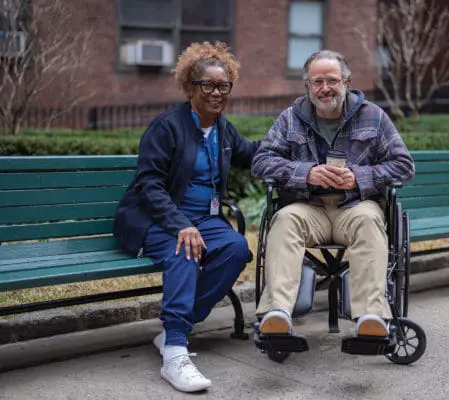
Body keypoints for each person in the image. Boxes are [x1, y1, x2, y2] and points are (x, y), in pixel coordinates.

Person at [113, 41, 259, 393]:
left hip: (202, 218)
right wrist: (182, 225)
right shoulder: (167, 127)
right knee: (187, 248)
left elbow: (251, 155)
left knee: (237, 248)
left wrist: (292, 145)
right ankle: (176, 355)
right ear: (190, 86)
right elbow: (149, 184)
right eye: (206, 84)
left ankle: (173, 331)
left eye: (223, 86)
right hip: (156, 218)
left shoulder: (223, 129)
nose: (215, 92)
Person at [251, 50, 415, 343]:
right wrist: (306, 173)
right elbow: (261, 161)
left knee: (368, 221)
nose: (324, 88)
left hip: (355, 206)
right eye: (317, 82)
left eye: (332, 80)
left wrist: (359, 177)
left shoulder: (374, 116)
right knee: (285, 220)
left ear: (347, 82)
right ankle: (277, 314)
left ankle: (370, 317)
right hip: (307, 207)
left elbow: (404, 165)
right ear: (307, 86)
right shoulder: (290, 118)